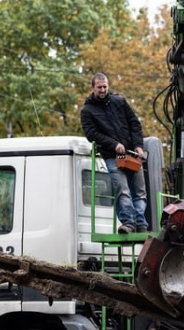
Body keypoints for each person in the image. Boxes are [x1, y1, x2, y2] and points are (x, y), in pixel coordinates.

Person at [81, 73, 149, 234]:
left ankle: (140, 223)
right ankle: (128, 222)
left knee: (139, 191)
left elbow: (134, 123)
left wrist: (139, 146)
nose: (103, 90)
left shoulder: (120, 101)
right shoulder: (87, 111)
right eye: (99, 87)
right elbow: (91, 134)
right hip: (112, 156)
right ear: (93, 88)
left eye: (105, 86)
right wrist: (114, 144)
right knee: (122, 189)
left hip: (132, 153)